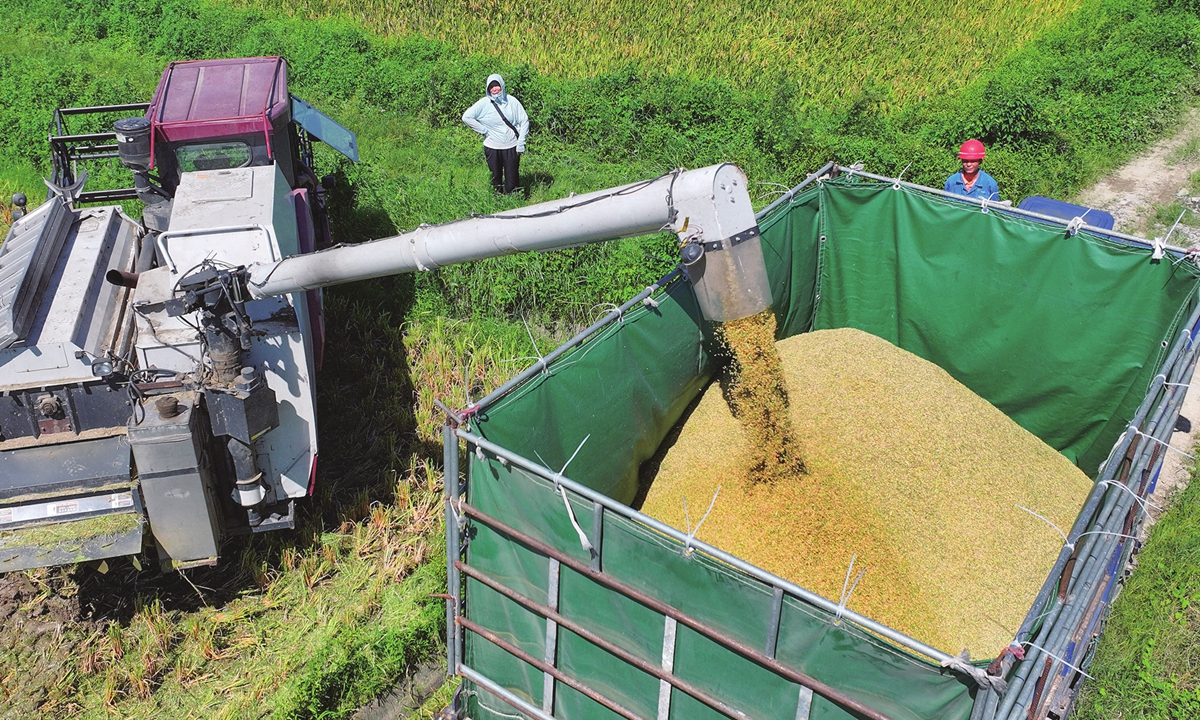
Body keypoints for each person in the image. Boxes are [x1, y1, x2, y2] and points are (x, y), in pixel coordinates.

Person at [462, 74, 529, 194]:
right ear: (488, 88)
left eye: (497, 85)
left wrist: (521, 142)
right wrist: (484, 130)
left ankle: (514, 204)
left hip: (511, 146)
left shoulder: (512, 101)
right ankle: (496, 202)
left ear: (502, 85)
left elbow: (524, 121)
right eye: (491, 86)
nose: (494, 89)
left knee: (512, 181)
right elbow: (466, 117)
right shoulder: (484, 103)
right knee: (495, 178)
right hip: (492, 147)